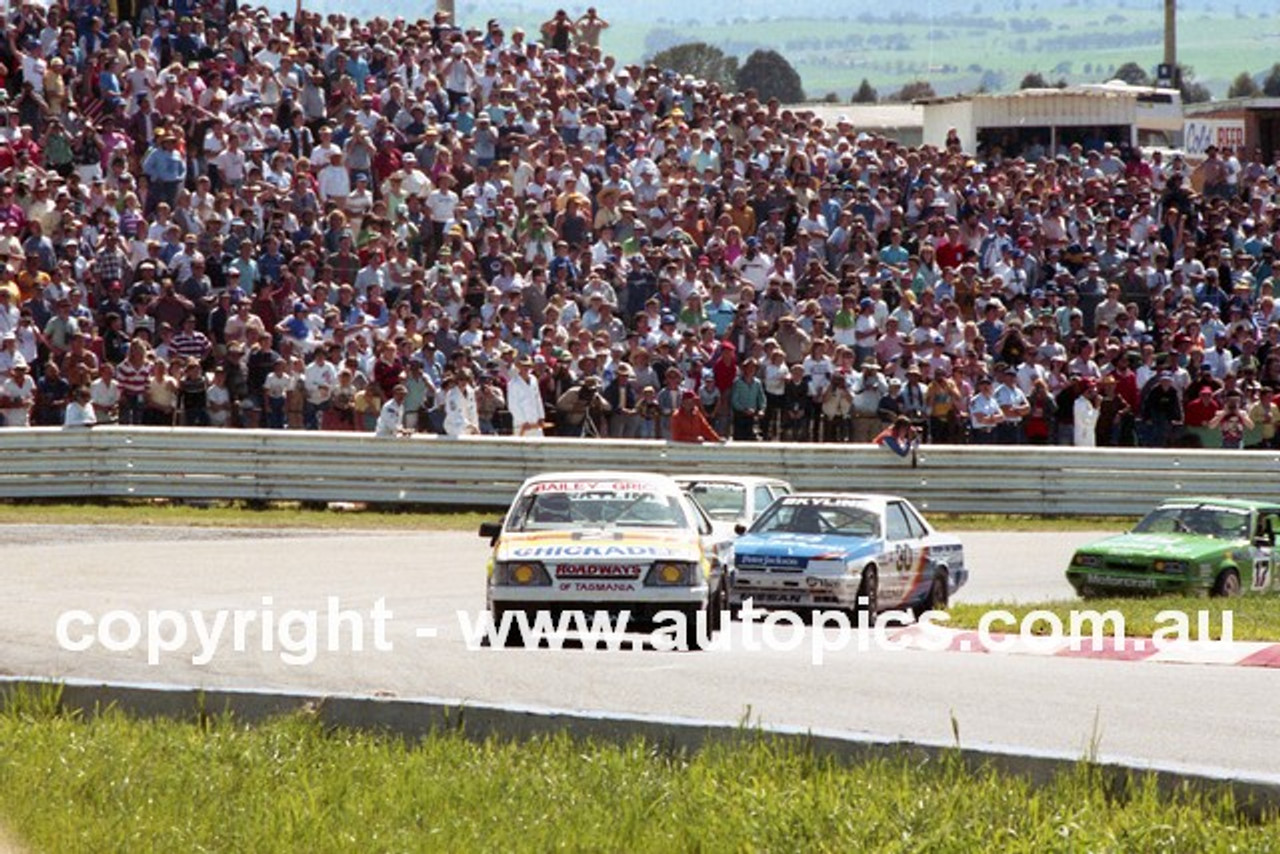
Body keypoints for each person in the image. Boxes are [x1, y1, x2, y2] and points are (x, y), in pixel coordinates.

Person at [507, 356, 547, 437]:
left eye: (528, 366)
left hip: (535, 421)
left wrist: (541, 417)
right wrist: (523, 421)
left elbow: (538, 399)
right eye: (523, 366)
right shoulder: (513, 383)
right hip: (522, 424)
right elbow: (513, 405)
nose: (526, 368)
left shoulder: (534, 379)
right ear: (518, 367)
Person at [444, 370, 481, 437]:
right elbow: (454, 414)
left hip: (470, 428)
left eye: (466, 379)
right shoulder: (451, 395)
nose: (464, 382)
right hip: (454, 427)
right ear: (457, 380)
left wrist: (475, 426)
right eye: (461, 379)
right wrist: (469, 425)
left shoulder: (471, 392)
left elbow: (473, 411)